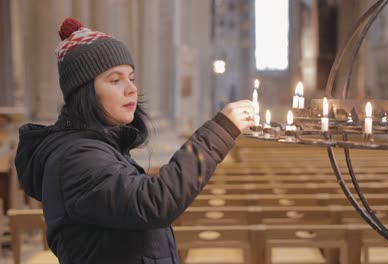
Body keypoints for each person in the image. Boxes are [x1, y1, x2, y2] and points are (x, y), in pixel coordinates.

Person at [15, 18, 255, 264]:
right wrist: (220, 130)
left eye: (131, 78)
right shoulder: (76, 157)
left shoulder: (95, 148)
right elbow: (152, 203)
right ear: (84, 91)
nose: (131, 89)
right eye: (115, 80)